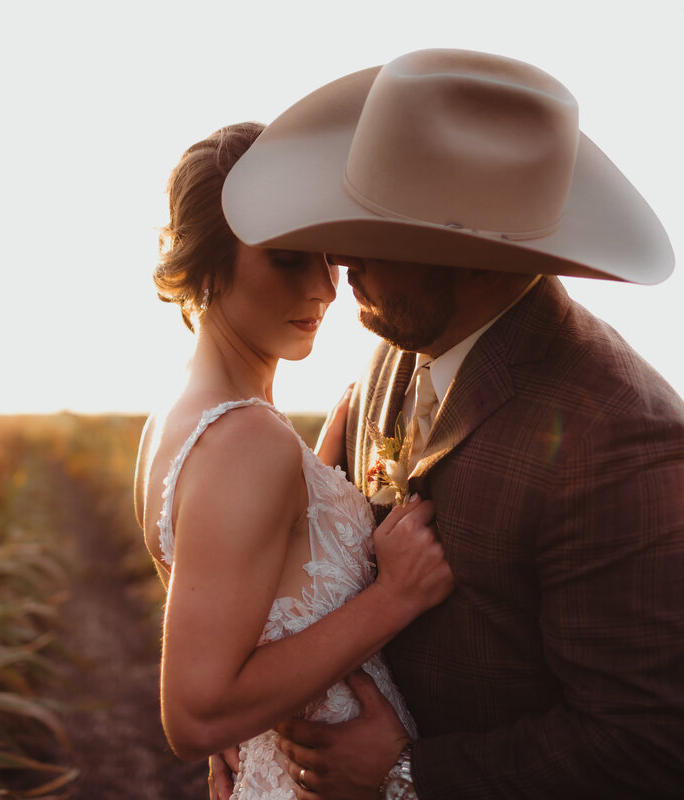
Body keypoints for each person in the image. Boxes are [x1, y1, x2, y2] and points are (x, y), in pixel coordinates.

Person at [219, 50, 684, 799]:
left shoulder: (624, 437)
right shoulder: (392, 348)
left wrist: (404, 775)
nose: (339, 259)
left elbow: (657, 751)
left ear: (479, 260)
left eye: (381, 234)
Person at [132, 122, 454, 800]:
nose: (325, 290)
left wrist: (318, 467)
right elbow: (194, 716)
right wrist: (392, 599)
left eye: (328, 257)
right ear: (209, 262)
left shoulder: (175, 421)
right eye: (287, 259)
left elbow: (246, 597)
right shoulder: (247, 444)